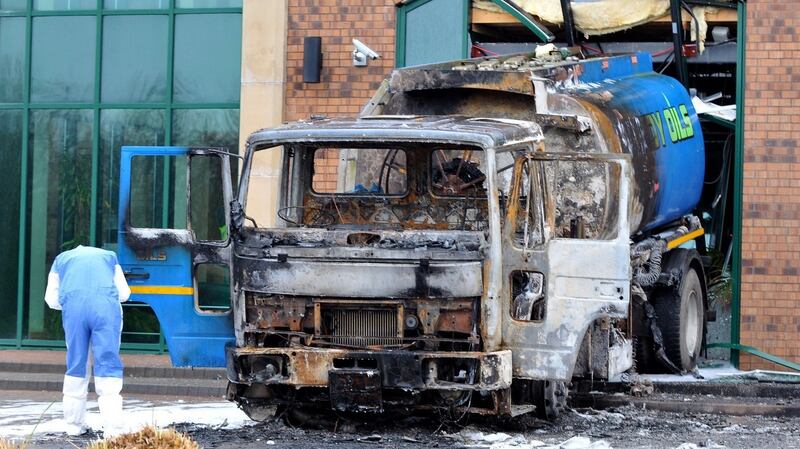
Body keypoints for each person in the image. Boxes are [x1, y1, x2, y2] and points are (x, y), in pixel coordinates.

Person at [44, 245, 130, 437]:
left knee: (76, 365)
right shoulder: (109, 257)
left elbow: (51, 299)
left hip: (74, 313)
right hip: (107, 312)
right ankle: (113, 429)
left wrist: (71, 301)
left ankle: (74, 426)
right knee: (108, 363)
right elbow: (124, 294)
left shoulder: (61, 259)